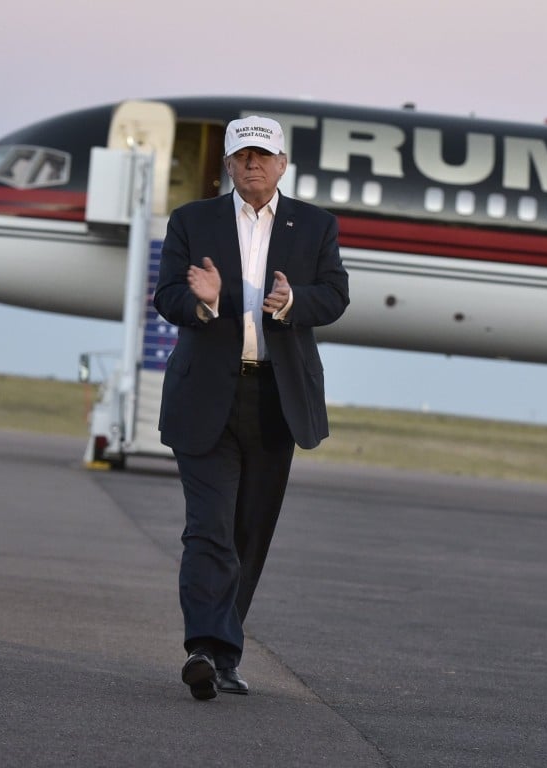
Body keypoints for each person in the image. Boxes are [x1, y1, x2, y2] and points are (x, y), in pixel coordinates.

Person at [154, 115, 350, 700]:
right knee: (208, 528)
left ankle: (222, 653)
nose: (253, 165)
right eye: (243, 157)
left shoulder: (315, 226)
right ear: (229, 166)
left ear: (283, 164)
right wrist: (204, 303)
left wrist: (294, 302)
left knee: (249, 532)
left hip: (275, 398)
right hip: (206, 395)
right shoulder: (193, 220)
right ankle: (203, 648)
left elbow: (336, 294)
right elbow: (167, 295)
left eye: (264, 156)